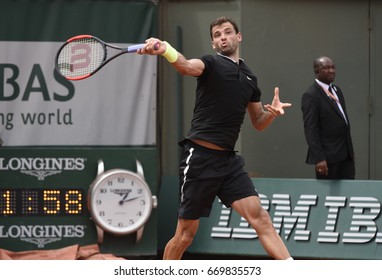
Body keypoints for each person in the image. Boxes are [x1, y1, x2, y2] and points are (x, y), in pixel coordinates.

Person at [138, 16, 292, 260]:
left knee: (261, 218)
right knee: (185, 236)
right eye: (217, 35)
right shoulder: (210, 63)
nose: (223, 37)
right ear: (213, 43)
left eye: (228, 32)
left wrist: (271, 114)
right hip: (199, 158)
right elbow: (187, 66)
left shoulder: (250, 78)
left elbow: (258, 122)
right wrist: (166, 49)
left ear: (238, 37)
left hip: (229, 163)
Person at [301, 56, 355, 179]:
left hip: (345, 156)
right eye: (326, 68)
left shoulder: (337, 90)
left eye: (333, 67)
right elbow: (311, 130)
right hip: (328, 159)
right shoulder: (311, 95)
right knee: (330, 197)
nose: (331, 70)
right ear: (317, 71)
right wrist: (319, 158)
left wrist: (350, 152)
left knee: (347, 193)